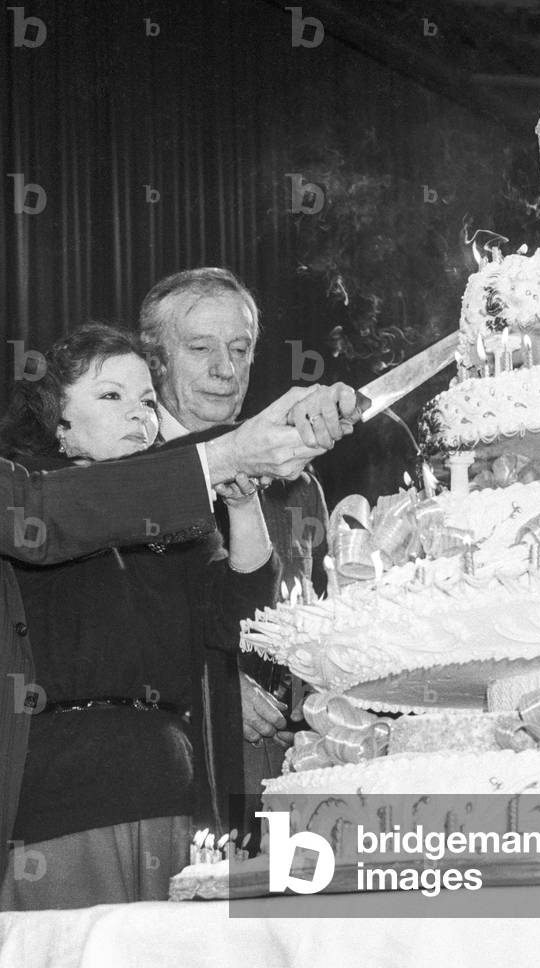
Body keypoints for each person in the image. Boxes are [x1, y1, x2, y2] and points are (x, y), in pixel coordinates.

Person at [0, 323, 359, 908]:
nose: (139, 415)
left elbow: (236, 623)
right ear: (57, 423)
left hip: (174, 793)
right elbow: (70, 513)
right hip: (65, 801)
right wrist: (227, 452)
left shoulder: (172, 518)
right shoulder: (35, 501)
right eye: (110, 396)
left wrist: (242, 503)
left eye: (147, 400)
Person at [139, 267, 330, 829]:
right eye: (200, 348)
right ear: (157, 361)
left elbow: (309, 607)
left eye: (240, 348)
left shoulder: (295, 477)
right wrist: (214, 687)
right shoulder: (124, 474)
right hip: (190, 757)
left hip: (302, 753)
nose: (225, 369)